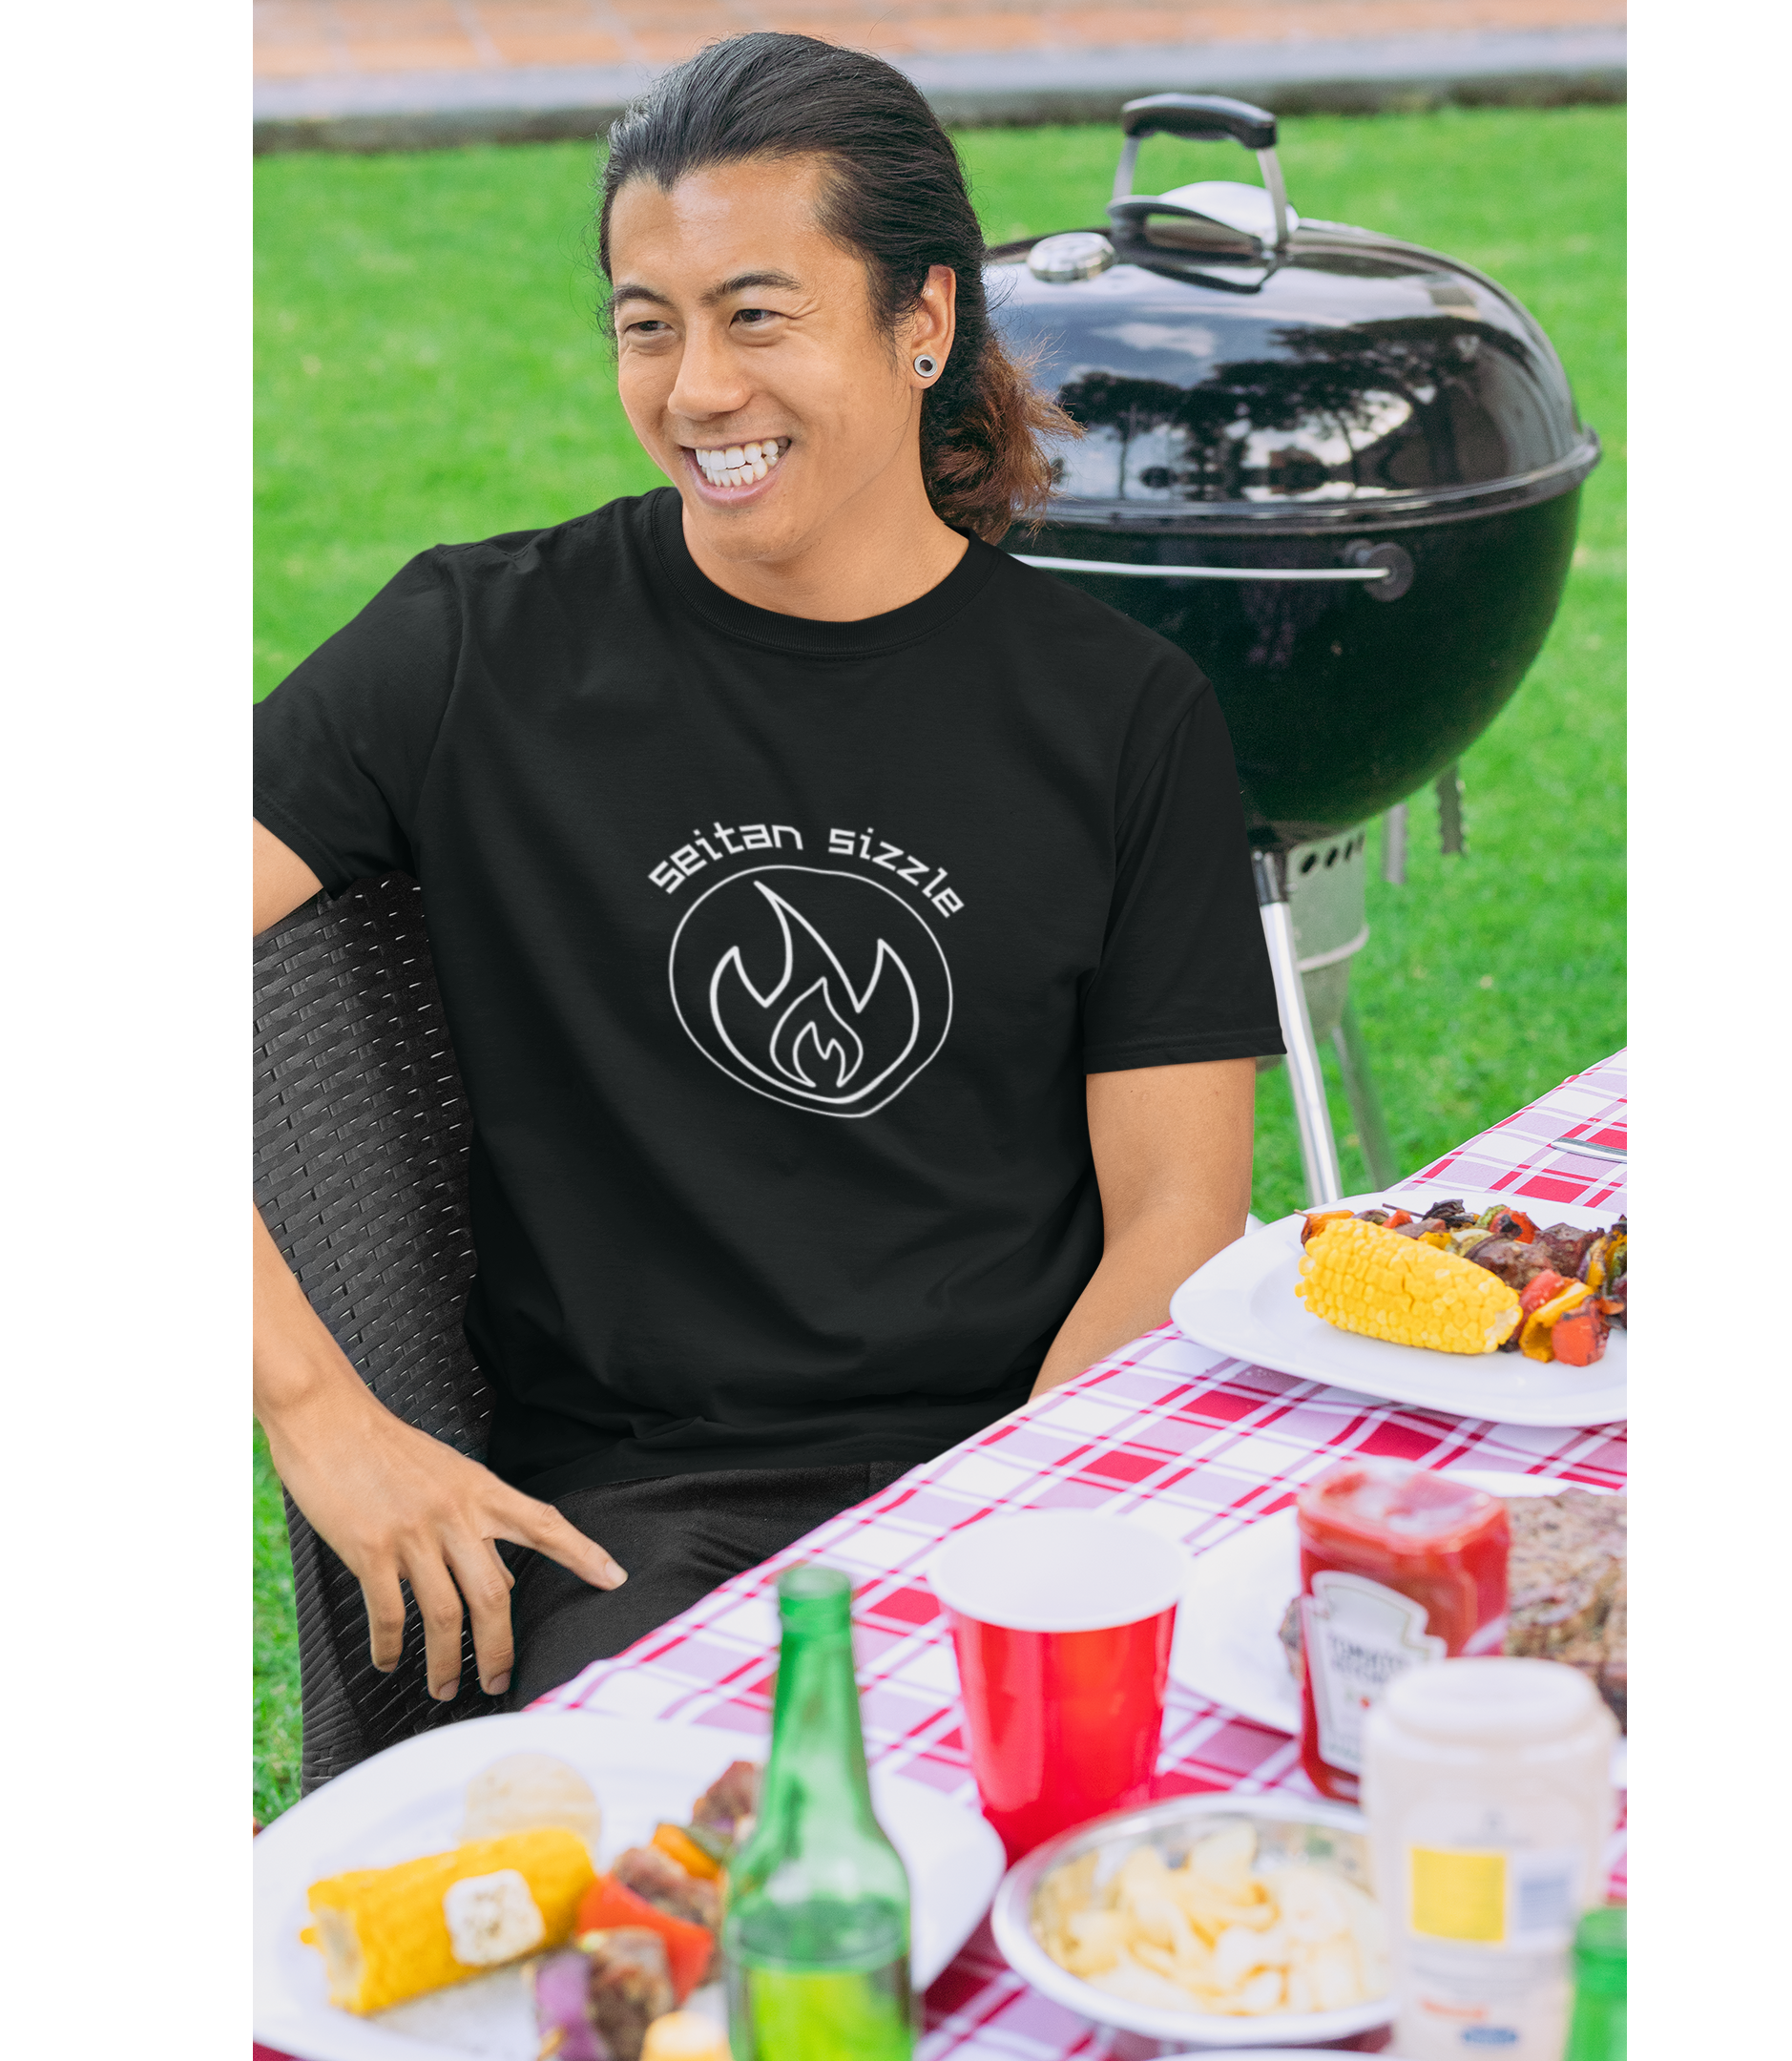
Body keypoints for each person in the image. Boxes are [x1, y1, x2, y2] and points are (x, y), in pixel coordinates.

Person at [253, 32, 1283, 1712]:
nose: (695, 389)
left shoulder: (1120, 714)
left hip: (1028, 1453)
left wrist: (1013, 1530)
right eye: (645, 326)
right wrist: (319, 1414)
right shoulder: (474, 649)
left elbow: (1178, 1211)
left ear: (923, 323)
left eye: (756, 313)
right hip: (645, 1530)